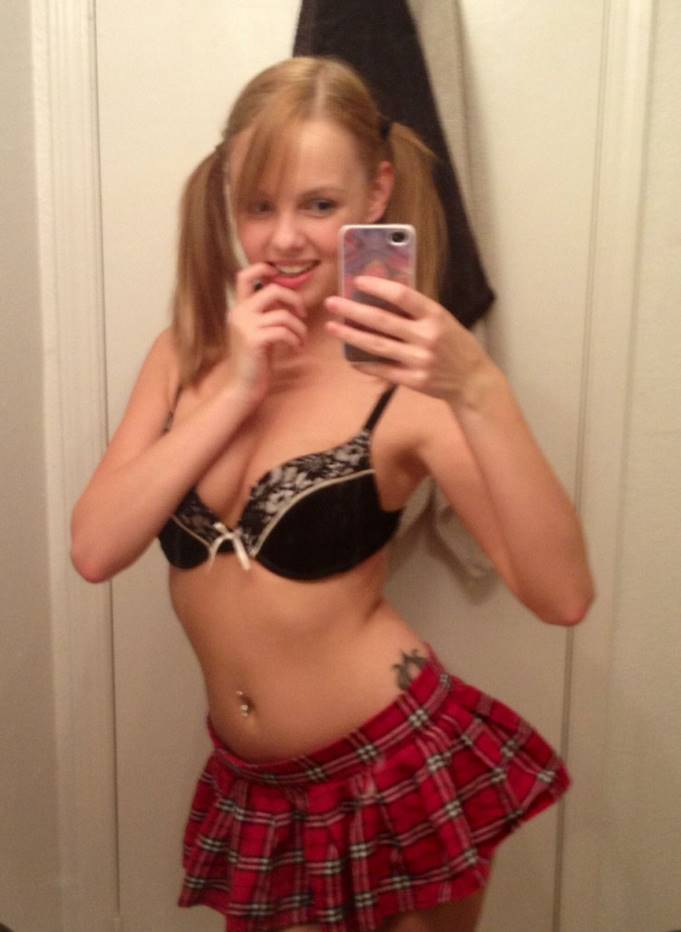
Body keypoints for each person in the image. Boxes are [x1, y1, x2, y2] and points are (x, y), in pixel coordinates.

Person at [71, 56, 594, 932]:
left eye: (318, 204)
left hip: (391, 772)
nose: (283, 240)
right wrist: (235, 391)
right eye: (258, 205)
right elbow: (95, 549)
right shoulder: (185, 352)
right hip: (253, 785)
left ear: (375, 192)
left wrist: (479, 390)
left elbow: (561, 595)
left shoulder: (409, 381)